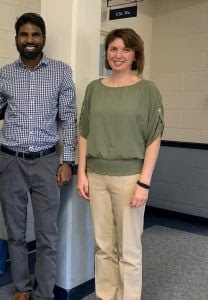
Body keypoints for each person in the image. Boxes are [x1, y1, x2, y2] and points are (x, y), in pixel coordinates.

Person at [0, 12, 76, 300]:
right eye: (24, 34)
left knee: (48, 236)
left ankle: (44, 293)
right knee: (16, 232)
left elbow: (70, 118)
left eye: (35, 35)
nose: (30, 40)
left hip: (48, 162)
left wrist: (67, 161)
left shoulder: (61, 72)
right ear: (16, 40)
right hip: (11, 162)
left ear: (43, 39)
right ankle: (22, 288)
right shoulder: (5, 74)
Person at [77, 28, 164, 300]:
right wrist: (82, 172)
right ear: (106, 53)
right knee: (103, 247)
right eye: (113, 49)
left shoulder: (147, 90)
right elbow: (84, 132)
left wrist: (144, 183)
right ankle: (106, 295)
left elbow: (154, 137)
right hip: (96, 175)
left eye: (126, 49)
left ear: (136, 54)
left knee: (129, 249)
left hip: (130, 177)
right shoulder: (94, 88)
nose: (118, 55)